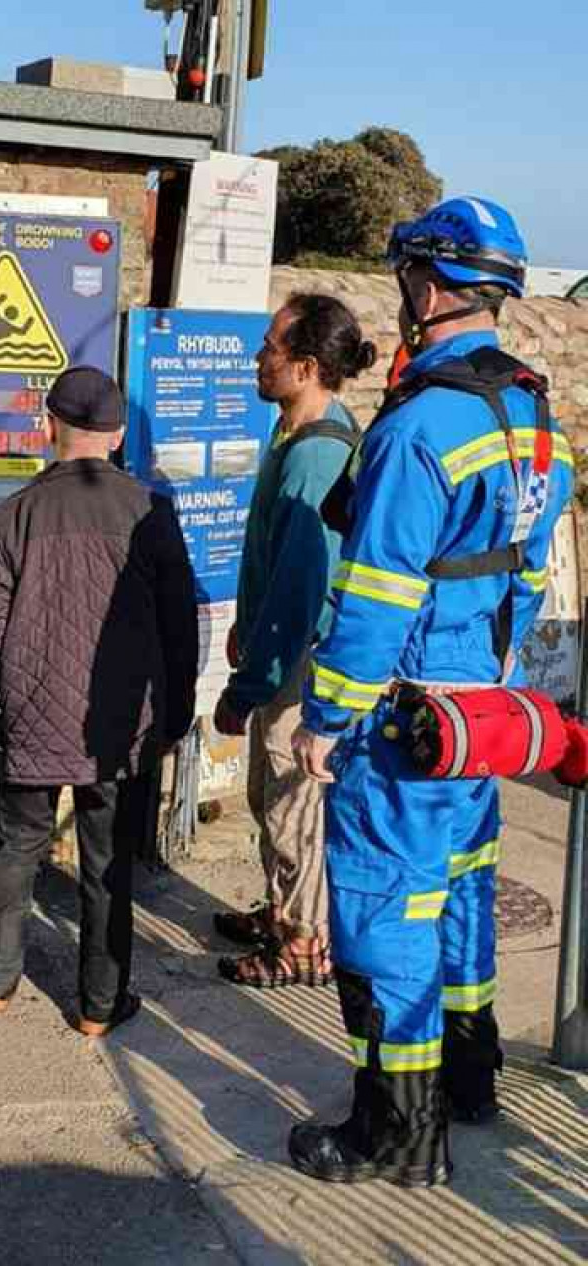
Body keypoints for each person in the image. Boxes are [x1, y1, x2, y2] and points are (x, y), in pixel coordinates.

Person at [290, 197, 574, 1186]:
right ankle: (470, 1078)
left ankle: (396, 1135)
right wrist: (489, 677)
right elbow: (532, 571)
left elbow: (373, 594)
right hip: (479, 712)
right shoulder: (537, 416)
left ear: (429, 283)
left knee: (383, 914)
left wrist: (327, 720)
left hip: (401, 715)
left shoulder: (419, 428)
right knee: (461, 894)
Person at [0, 367, 199, 1036]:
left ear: (46, 426)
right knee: (106, 863)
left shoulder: (10, 517)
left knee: (15, 848)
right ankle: (97, 1006)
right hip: (120, 723)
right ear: (117, 437)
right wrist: (174, 714)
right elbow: (181, 626)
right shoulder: (151, 513)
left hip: (30, 714)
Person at [212, 294, 375, 989]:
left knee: (290, 799)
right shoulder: (303, 430)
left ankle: (303, 941)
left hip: (299, 663)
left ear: (305, 366)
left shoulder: (314, 455)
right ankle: (286, 910)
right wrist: (245, 631)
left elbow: (298, 592)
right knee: (273, 795)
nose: (257, 357)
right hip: (280, 649)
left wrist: (243, 688)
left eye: (269, 348)